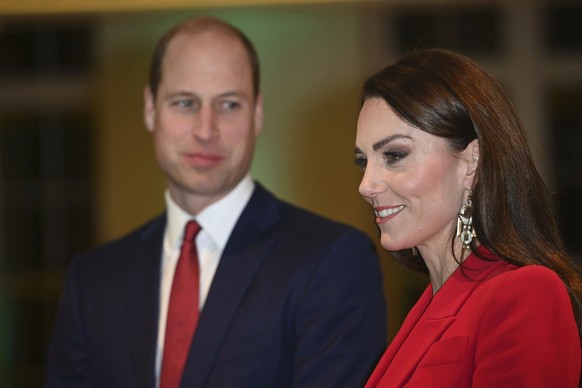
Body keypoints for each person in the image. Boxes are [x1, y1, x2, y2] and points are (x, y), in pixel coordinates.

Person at [46, 16, 387, 387]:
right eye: (185, 102)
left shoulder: (331, 261)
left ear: (257, 113)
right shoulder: (92, 281)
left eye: (228, 105)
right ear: (149, 108)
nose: (206, 130)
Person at [354, 48, 582, 387]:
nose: (366, 185)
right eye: (363, 161)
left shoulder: (524, 293)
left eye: (394, 155)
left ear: (472, 161)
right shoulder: (429, 306)